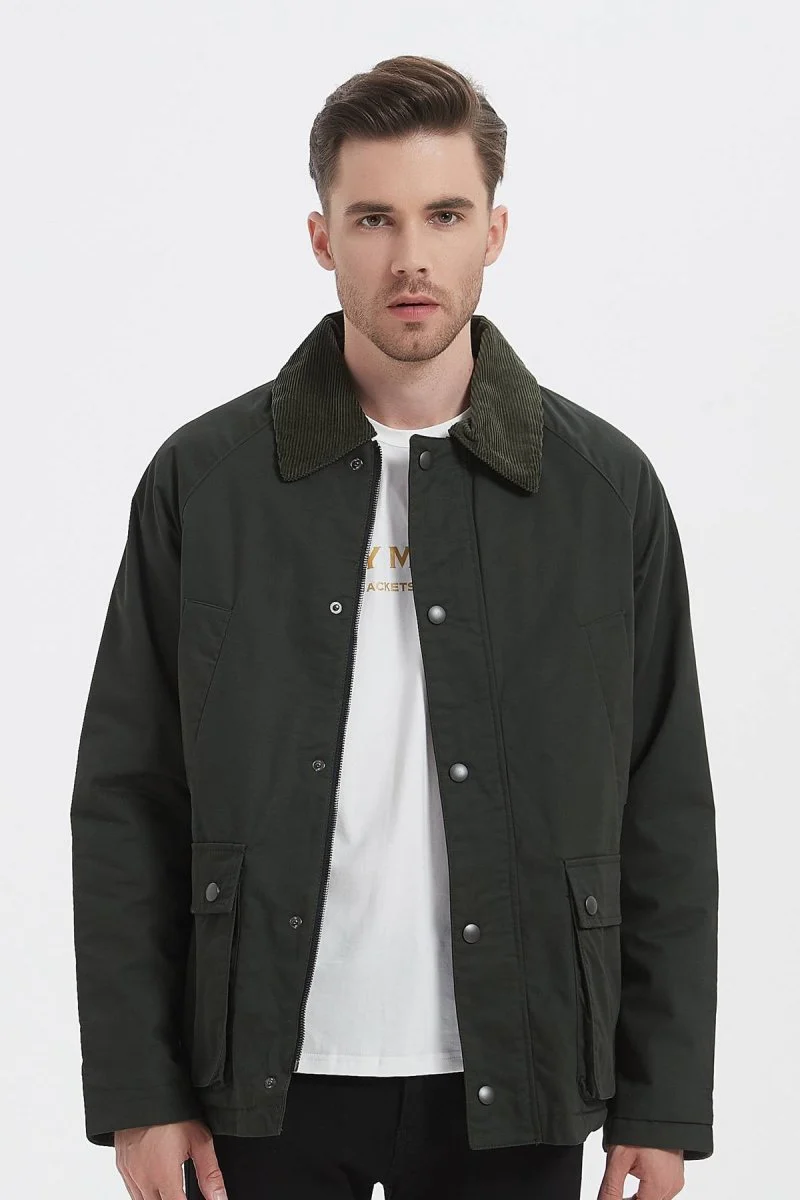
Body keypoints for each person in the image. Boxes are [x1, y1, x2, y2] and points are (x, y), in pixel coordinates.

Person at [70, 53, 718, 1200]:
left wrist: (658, 1102)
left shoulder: (599, 492)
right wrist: (140, 1091)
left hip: (518, 1066)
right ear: (321, 237)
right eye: (372, 218)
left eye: (444, 215)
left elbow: (662, 804)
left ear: (494, 231)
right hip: (254, 1077)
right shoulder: (206, 484)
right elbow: (128, 796)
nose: (409, 256)